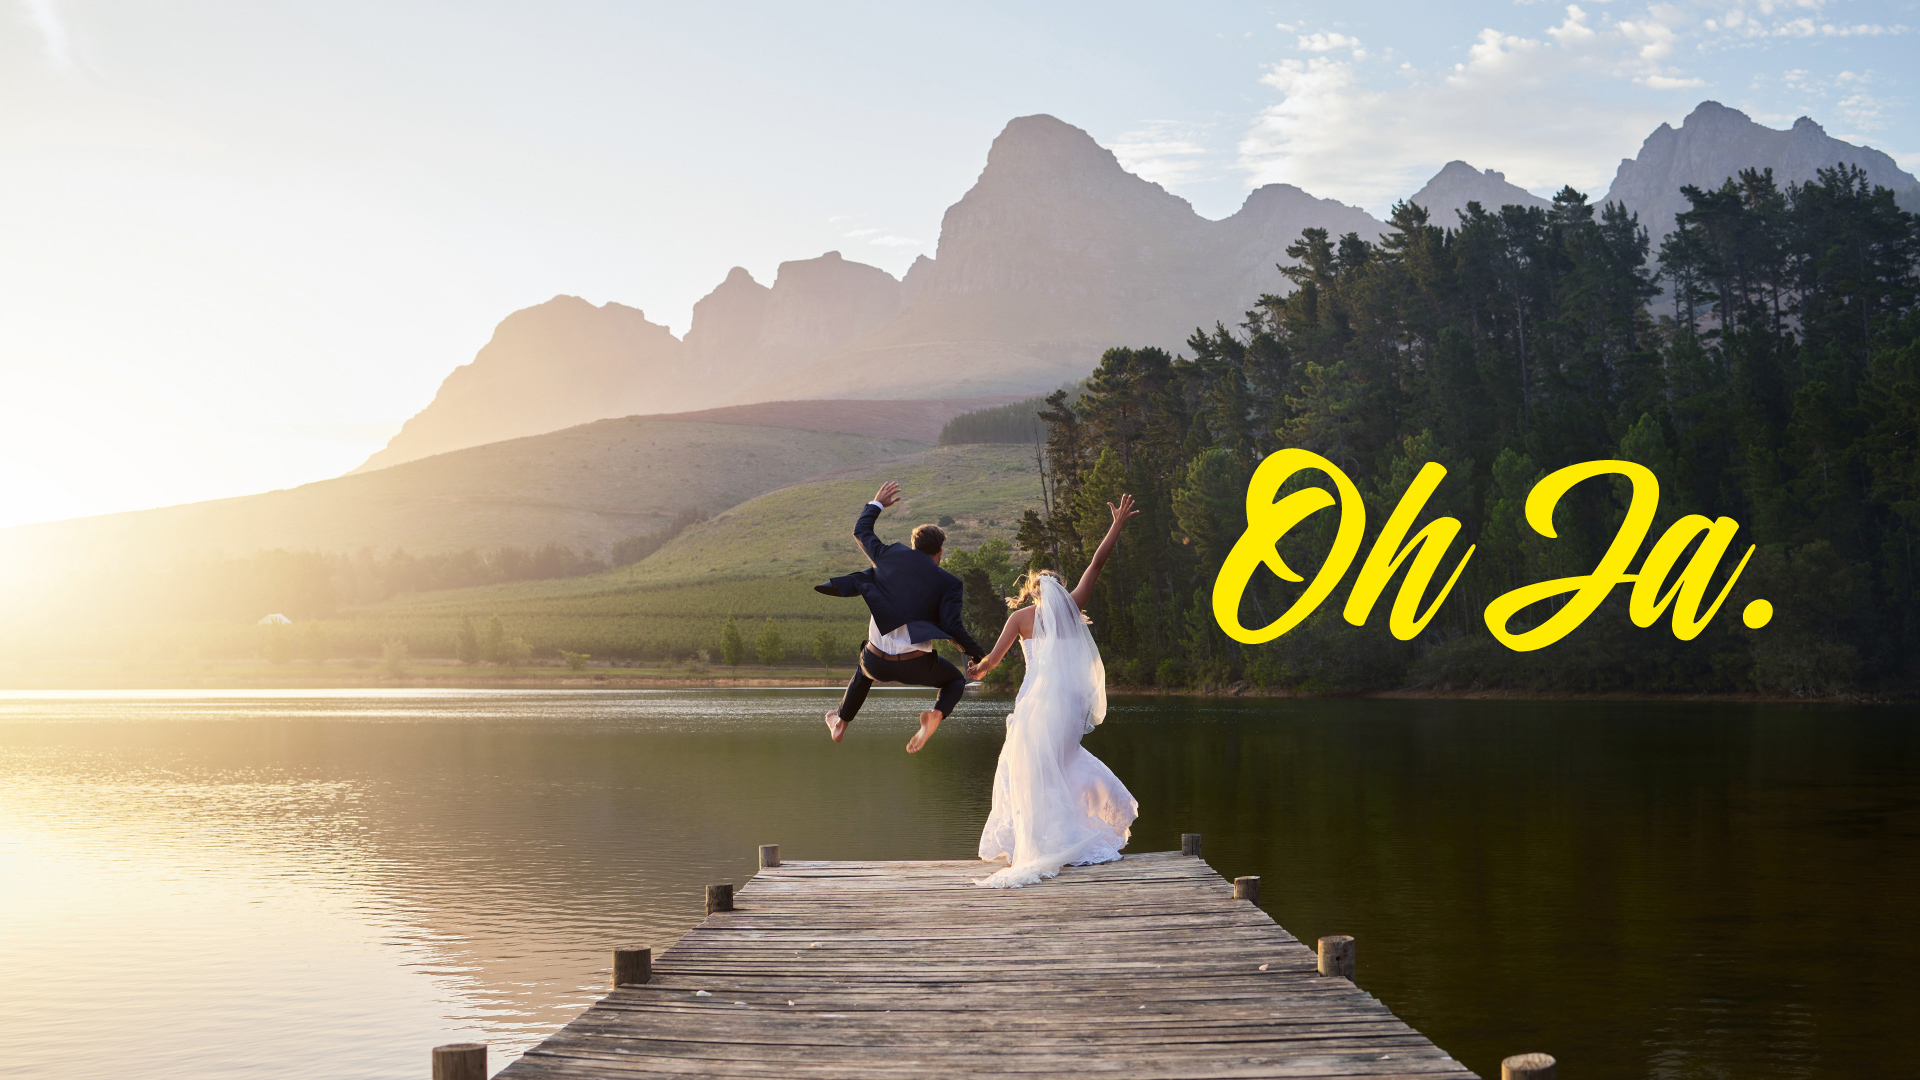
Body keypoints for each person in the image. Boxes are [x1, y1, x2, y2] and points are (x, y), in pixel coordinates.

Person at [969, 493, 1139, 888]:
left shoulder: (1020, 619)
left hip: (1034, 707)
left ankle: (1044, 841)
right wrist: (1115, 525)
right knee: (1060, 766)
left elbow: (991, 663)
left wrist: (977, 669)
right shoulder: (1069, 611)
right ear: (1060, 593)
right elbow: (1097, 563)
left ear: (1032, 592)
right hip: (1066, 707)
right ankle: (1061, 837)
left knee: (1029, 772)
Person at [814, 481, 987, 753]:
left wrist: (877, 503)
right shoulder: (948, 583)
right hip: (916, 664)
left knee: (863, 669)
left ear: (913, 545)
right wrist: (980, 658)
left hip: (875, 662)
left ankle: (840, 723)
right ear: (940, 552)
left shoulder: (888, 555)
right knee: (954, 680)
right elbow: (953, 627)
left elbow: (861, 531)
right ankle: (935, 715)